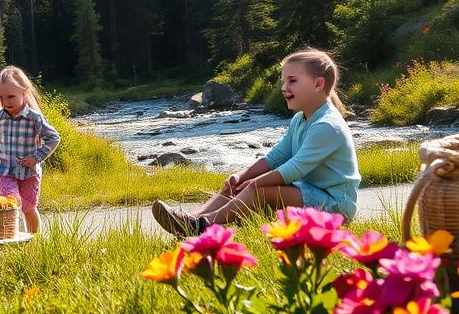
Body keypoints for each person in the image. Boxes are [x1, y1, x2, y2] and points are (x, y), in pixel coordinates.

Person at [151, 48, 360, 236]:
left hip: (335, 207)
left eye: (292, 81)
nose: (284, 87)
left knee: (256, 190)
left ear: (318, 83)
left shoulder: (327, 125)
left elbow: (293, 169)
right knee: (236, 185)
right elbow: (275, 157)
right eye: (283, 81)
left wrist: (253, 184)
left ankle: (201, 225)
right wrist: (242, 176)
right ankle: (192, 218)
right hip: (308, 193)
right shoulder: (300, 119)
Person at [0, 66, 61, 233]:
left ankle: (33, 239)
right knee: (12, 202)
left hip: (30, 173)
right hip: (5, 170)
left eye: (11, 96)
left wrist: (37, 156)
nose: (6, 102)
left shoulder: (34, 118)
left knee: (28, 207)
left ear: (24, 92)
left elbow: (54, 137)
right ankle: (15, 238)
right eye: (1, 97)